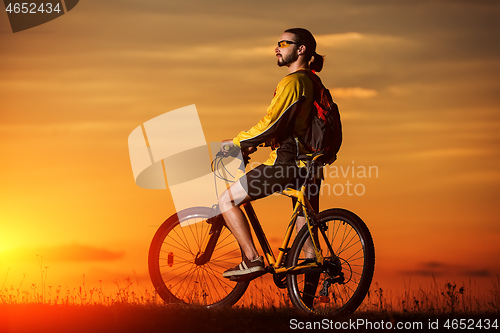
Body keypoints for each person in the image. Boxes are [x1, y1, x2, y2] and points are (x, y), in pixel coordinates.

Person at [219, 28, 325, 279]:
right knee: (309, 250)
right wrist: (258, 143)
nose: (276, 48)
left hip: (286, 164)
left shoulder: (293, 81)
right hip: (310, 166)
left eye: (283, 43)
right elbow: (292, 126)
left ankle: (252, 259)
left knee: (226, 200)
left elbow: (272, 122)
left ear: (301, 50)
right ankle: (308, 309)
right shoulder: (312, 82)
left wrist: (237, 143)